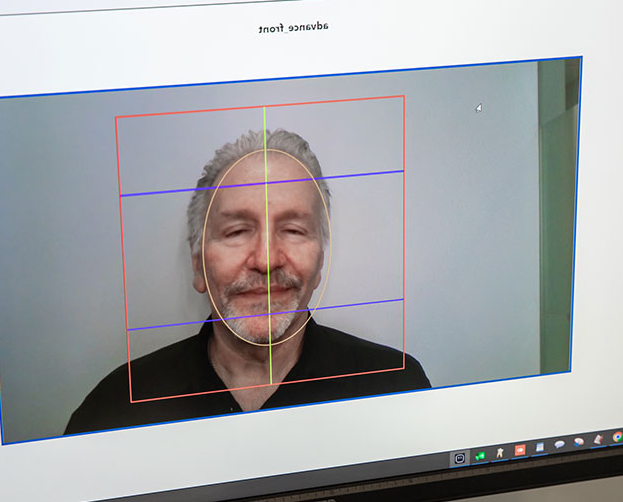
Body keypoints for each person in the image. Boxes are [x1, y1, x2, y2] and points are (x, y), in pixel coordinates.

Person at [65, 129, 429, 434]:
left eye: (293, 230)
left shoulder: (396, 388)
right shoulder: (113, 410)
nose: (266, 259)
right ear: (198, 265)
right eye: (237, 231)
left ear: (320, 264)